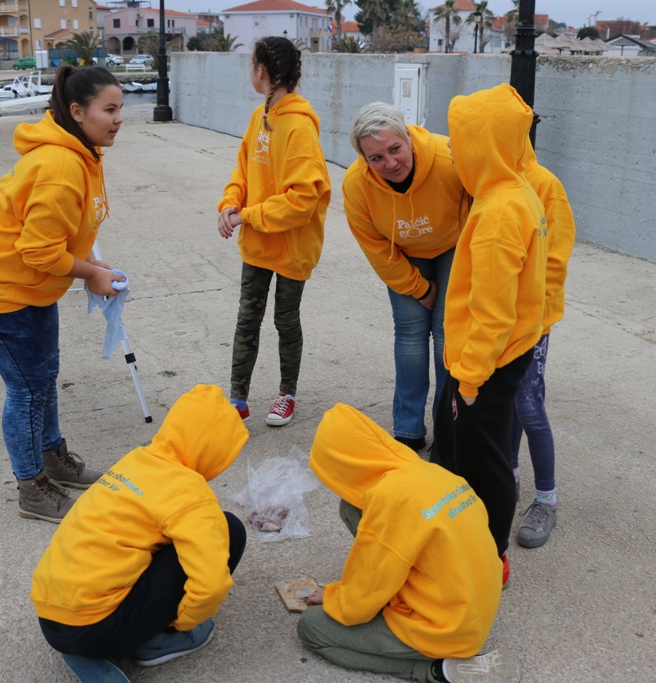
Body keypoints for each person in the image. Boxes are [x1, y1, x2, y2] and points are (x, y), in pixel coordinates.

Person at [0, 65, 126, 523]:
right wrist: (89, 274)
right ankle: (33, 487)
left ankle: (53, 458)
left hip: (29, 288)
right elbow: (38, 250)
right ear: (77, 112)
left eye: (120, 108)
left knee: (43, 377)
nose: (118, 118)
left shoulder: (83, 152)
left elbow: (61, 236)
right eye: (110, 109)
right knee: (27, 389)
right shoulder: (61, 166)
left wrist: (89, 264)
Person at [30, 385, 248, 682]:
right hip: (94, 628)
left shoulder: (136, 460)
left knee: (156, 537)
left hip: (51, 615)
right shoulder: (190, 494)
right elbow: (211, 586)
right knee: (229, 531)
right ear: (217, 449)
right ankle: (159, 641)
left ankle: (86, 653)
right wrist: (182, 622)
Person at [296, 404, 522, 683]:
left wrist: (332, 597)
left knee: (312, 628)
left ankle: (433, 671)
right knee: (352, 506)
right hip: (475, 609)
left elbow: (359, 604)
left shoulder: (389, 500)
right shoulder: (432, 472)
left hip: (445, 629)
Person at [430, 84, 548, 574]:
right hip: (499, 355)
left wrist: (471, 381)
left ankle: (489, 556)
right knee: (467, 451)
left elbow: (494, 313)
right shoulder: (514, 191)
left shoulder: (500, 210)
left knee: (486, 462)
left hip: (488, 362)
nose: (452, 149)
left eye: (459, 140)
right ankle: (460, 537)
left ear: (484, 144)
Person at [217, 36, 331, 428]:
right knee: (247, 319)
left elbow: (302, 201)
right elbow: (243, 171)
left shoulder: (299, 128)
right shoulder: (258, 117)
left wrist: (247, 215)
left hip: (293, 246)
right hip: (258, 243)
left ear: (261, 72)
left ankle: (287, 393)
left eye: (251, 66)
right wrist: (231, 203)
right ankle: (237, 400)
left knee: (285, 320)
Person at [344, 102, 467, 452]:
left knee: (447, 336)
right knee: (411, 335)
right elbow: (376, 249)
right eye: (376, 158)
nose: (390, 163)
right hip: (402, 254)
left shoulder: (448, 158)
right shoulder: (357, 186)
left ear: (410, 139)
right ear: (364, 160)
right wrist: (420, 289)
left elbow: (481, 203)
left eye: (395, 149)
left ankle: (449, 425)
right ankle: (408, 429)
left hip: (453, 245)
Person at [511, 138, 576, 548]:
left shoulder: (544, 183)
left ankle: (546, 499)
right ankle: (508, 477)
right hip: (496, 318)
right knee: (506, 403)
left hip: (532, 320)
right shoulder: (480, 179)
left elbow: (556, 257)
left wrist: (532, 313)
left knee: (528, 405)